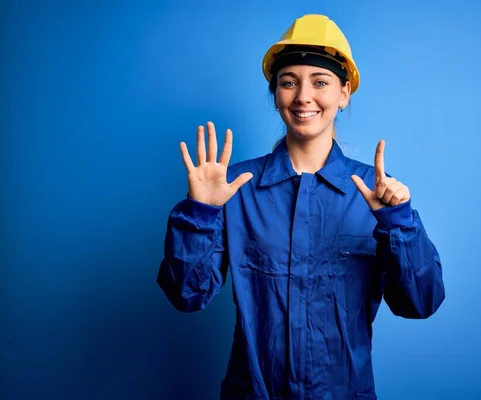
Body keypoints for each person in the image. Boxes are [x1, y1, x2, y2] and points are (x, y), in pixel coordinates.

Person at [157, 14, 445, 400]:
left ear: (344, 93)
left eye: (320, 82)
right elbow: (187, 295)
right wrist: (201, 214)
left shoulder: (375, 195)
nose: (303, 96)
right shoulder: (233, 188)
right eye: (288, 82)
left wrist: (399, 223)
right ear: (276, 95)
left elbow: (421, 302)